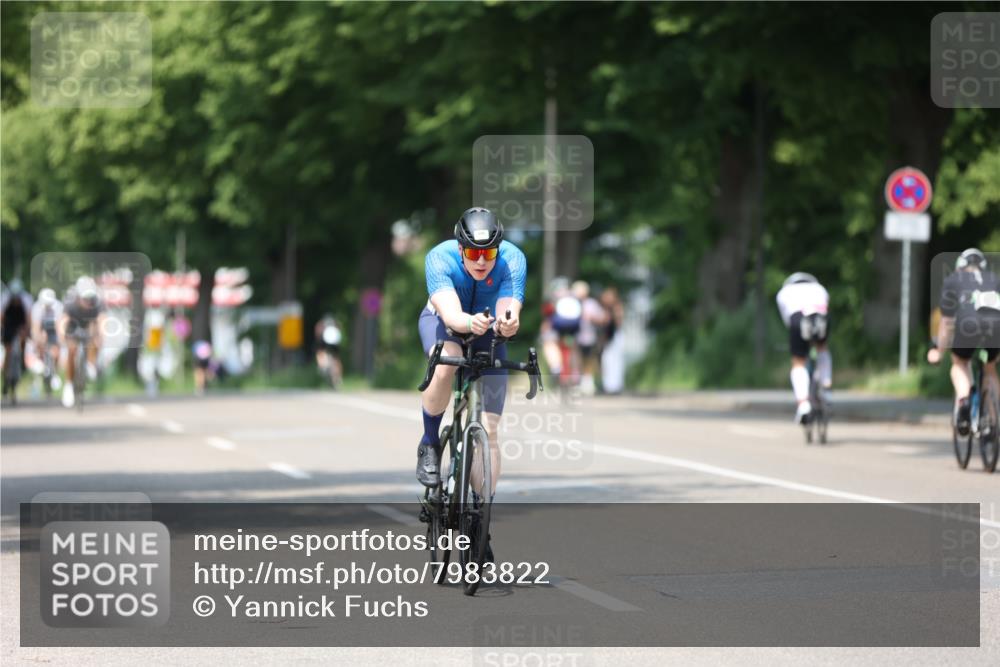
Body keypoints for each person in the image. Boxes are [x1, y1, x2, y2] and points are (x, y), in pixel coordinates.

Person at [416, 207, 525, 500]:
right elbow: (451, 315)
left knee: (489, 432)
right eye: (473, 253)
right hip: (444, 323)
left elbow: (508, 312)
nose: (480, 260)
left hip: (487, 331)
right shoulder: (440, 257)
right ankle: (430, 442)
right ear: (460, 248)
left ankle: (481, 517)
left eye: (488, 254)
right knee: (446, 360)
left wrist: (507, 324)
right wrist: (467, 322)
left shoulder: (512, 259)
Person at [927, 248, 1000, 435]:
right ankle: (993, 422)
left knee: (959, 363)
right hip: (995, 326)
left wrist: (939, 350)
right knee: (990, 368)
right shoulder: (994, 279)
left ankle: (964, 399)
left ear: (960, 267)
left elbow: (947, 322)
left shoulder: (953, 280)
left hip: (969, 325)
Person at [775, 272, 831, 424]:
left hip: (798, 319)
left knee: (798, 362)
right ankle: (826, 386)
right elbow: (825, 308)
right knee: (822, 348)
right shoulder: (820, 288)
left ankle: (803, 404)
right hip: (821, 318)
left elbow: (787, 320)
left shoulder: (784, 293)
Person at [60, 276, 106, 408]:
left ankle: (90, 364)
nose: (88, 302)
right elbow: (63, 321)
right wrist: (62, 334)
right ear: (78, 296)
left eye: (90, 298)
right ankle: (68, 385)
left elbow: (102, 319)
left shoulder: (97, 302)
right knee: (72, 350)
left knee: (95, 339)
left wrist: (101, 335)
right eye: (85, 299)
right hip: (72, 327)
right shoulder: (70, 302)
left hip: (88, 327)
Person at [572, 280, 607, 395]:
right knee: (575, 359)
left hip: (589, 336)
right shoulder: (571, 303)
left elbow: (603, 318)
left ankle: (588, 382)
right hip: (573, 336)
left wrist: (592, 318)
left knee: (589, 359)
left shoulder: (591, 303)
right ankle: (575, 382)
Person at [1, 279, 32, 395]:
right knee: (8, 351)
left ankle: (22, 359)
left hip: (20, 324)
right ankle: (5, 378)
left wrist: (26, 330)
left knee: (23, 340)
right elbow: (1, 317)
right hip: (8, 324)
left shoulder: (26, 299)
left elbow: (28, 318)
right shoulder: (4, 298)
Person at [30, 288, 64, 391]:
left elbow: (60, 327)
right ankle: (41, 362)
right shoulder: (36, 308)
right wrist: (38, 340)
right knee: (39, 342)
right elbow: (35, 328)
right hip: (41, 329)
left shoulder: (58, 306)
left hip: (53, 330)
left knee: (56, 351)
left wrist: (60, 341)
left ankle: (55, 371)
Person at [599, 286, 625, 394]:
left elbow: (617, 324)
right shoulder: (608, 309)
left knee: (614, 361)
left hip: (615, 336)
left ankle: (615, 386)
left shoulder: (616, 308)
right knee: (607, 360)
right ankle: (609, 385)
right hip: (610, 337)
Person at [314, 313, 343, 388]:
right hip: (335, 342)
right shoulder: (335, 324)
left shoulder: (321, 324)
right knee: (336, 358)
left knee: (320, 352)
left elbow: (317, 332)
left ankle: (322, 366)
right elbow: (340, 330)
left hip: (325, 341)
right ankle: (339, 376)